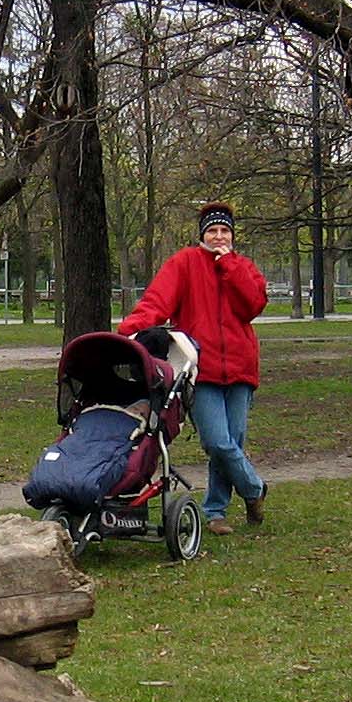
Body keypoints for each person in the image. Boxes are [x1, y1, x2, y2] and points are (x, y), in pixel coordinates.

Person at [121, 202, 269, 536]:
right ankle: (254, 489)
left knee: (232, 443)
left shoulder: (243, 266)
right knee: (217, 442)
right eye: (212, 231)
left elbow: (253, 305)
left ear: (232, 235)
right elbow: (157, 301)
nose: (219, 237)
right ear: (202, 235)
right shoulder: (184, 263)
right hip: (200, 369)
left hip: (241, 368)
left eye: (224, 231)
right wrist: (129, 330)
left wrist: (229, 265)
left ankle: (215, 511)